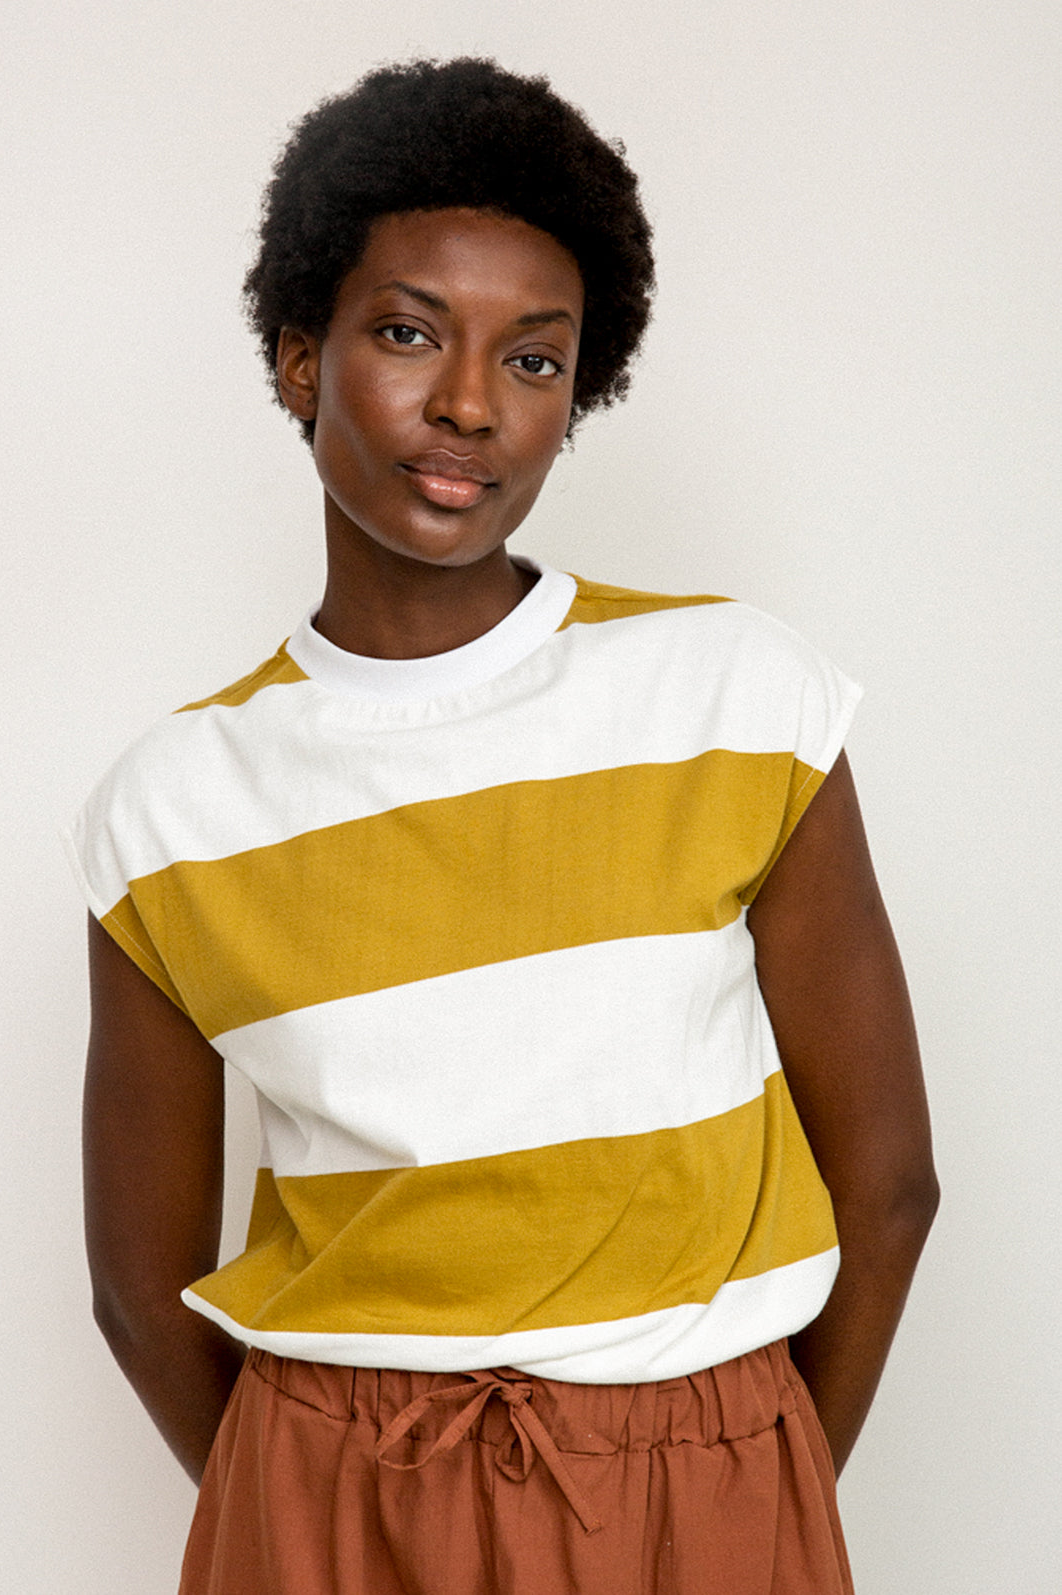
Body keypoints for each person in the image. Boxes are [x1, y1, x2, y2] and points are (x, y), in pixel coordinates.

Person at [65, 58, 939, 1595]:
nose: (468, 403)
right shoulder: (172, 807)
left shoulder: (733, 693)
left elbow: (887, 1182)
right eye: (406, 334)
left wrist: (752, 1485)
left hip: (704, 1471)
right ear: (295, 359)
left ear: (575, 397)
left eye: (535, 362)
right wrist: (310, 1507)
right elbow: (140, 1285)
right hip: (330, 1484)